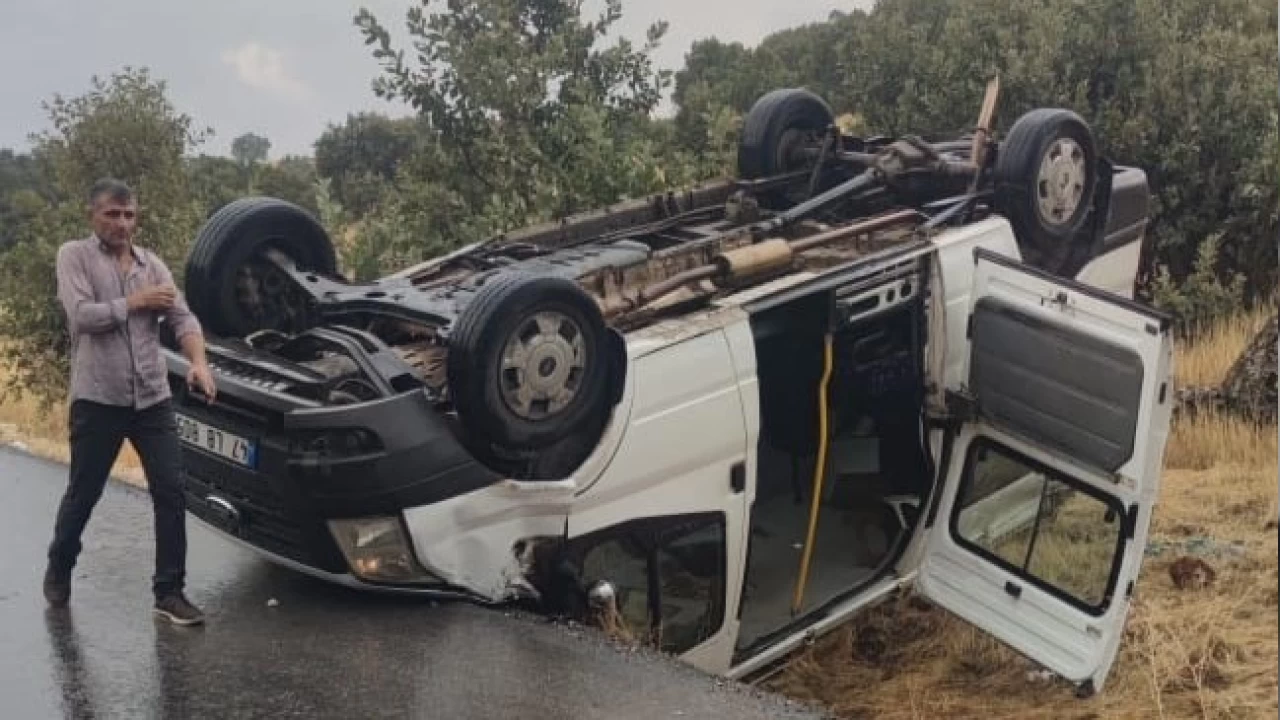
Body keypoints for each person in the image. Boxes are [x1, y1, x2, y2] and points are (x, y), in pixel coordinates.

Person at [44, 178, 217, 626]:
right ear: (92, 215)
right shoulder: (74, 256)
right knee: (84, 493)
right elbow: (82, 317)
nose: (122, 223)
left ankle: (169, 592)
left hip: (152, 399)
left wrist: (199, 363)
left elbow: (183, 318)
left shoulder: (152, 265)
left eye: (129, 215)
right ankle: (60, 564)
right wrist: (135, 302)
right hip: (98, 399)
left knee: (171, 490)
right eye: (112, 214)